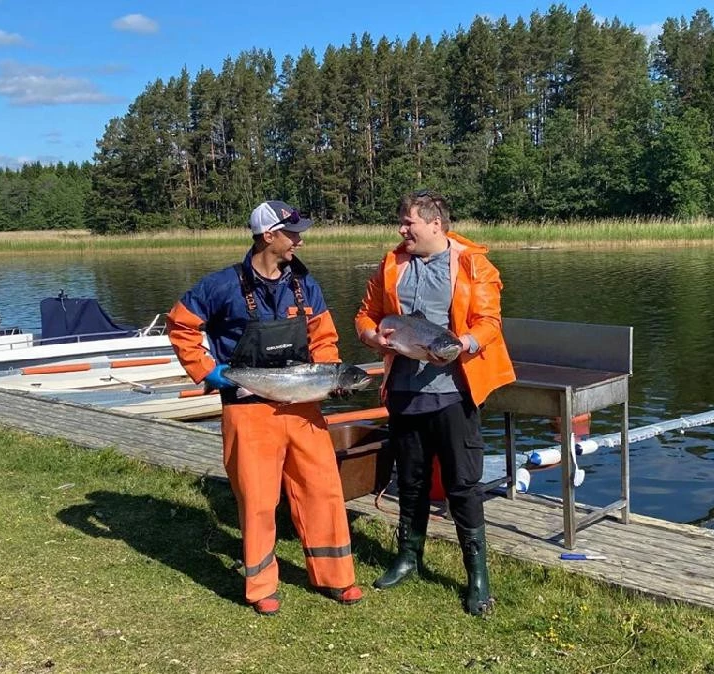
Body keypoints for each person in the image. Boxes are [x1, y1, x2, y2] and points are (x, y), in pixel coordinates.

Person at [167, 200, 362, 616]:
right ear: (268, 236)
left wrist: (330, 375)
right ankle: (261, 586)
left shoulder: (304, 283)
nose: (300, 240)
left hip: (303, 406)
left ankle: (336, 577)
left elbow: (323, 335)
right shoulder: (220, 286)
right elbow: (180, 325)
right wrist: (207, 370)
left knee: (322, 489)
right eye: (292, 234)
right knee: (257, 500)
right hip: (248, 410)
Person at [354, 189, 516, 616]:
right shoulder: (392, 265)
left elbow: (490, 322)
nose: (401, 230)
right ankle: (409, 557)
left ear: (434, 225)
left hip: (455, 392)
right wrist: (371, 336)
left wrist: (464, 343)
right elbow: (366, 315)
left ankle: (476, 574)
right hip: (405, 393)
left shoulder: (470, 263)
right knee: (411, 480)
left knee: (463, 484)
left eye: (408, 223)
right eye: (401, 223)